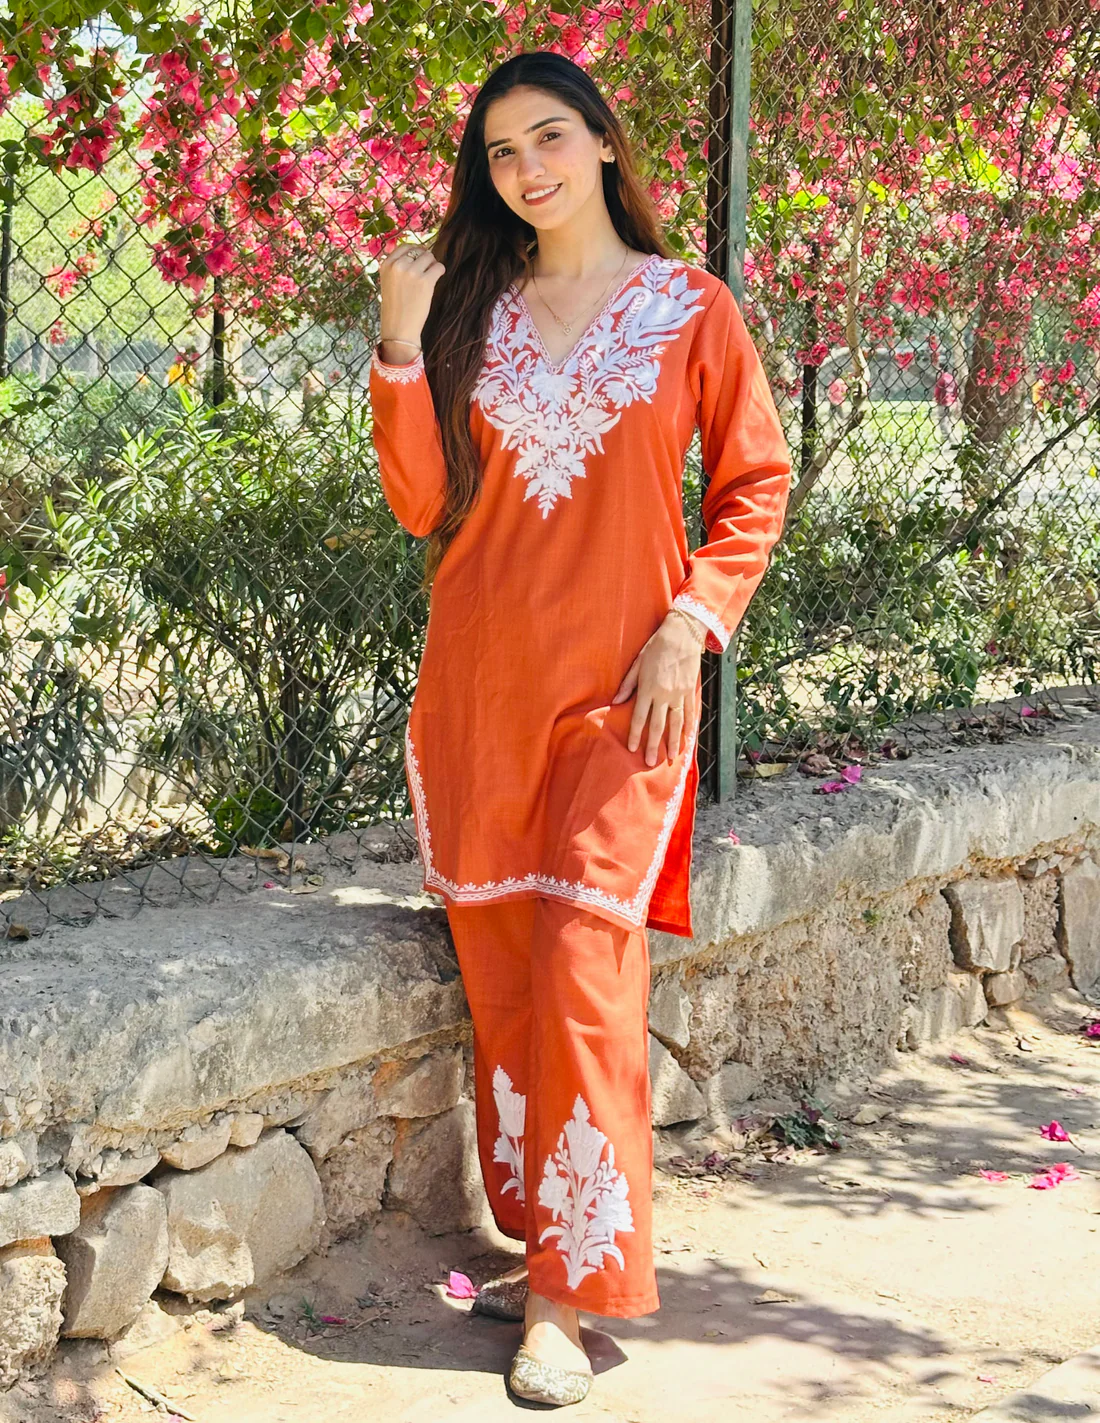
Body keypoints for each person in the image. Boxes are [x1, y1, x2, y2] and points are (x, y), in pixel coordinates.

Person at [369, 50, 791, 1407]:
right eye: (501, 152)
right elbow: (422, 503)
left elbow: (754, 482)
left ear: (604, 141)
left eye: (548, 137)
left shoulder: (689, 309)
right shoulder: (470, 311)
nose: (526, 169)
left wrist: (690, 624)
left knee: (585, 976)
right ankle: (546, 1240)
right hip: (482, 695)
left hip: (626, 701)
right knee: (507, 986)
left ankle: (565, 1300)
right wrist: (397, 345)